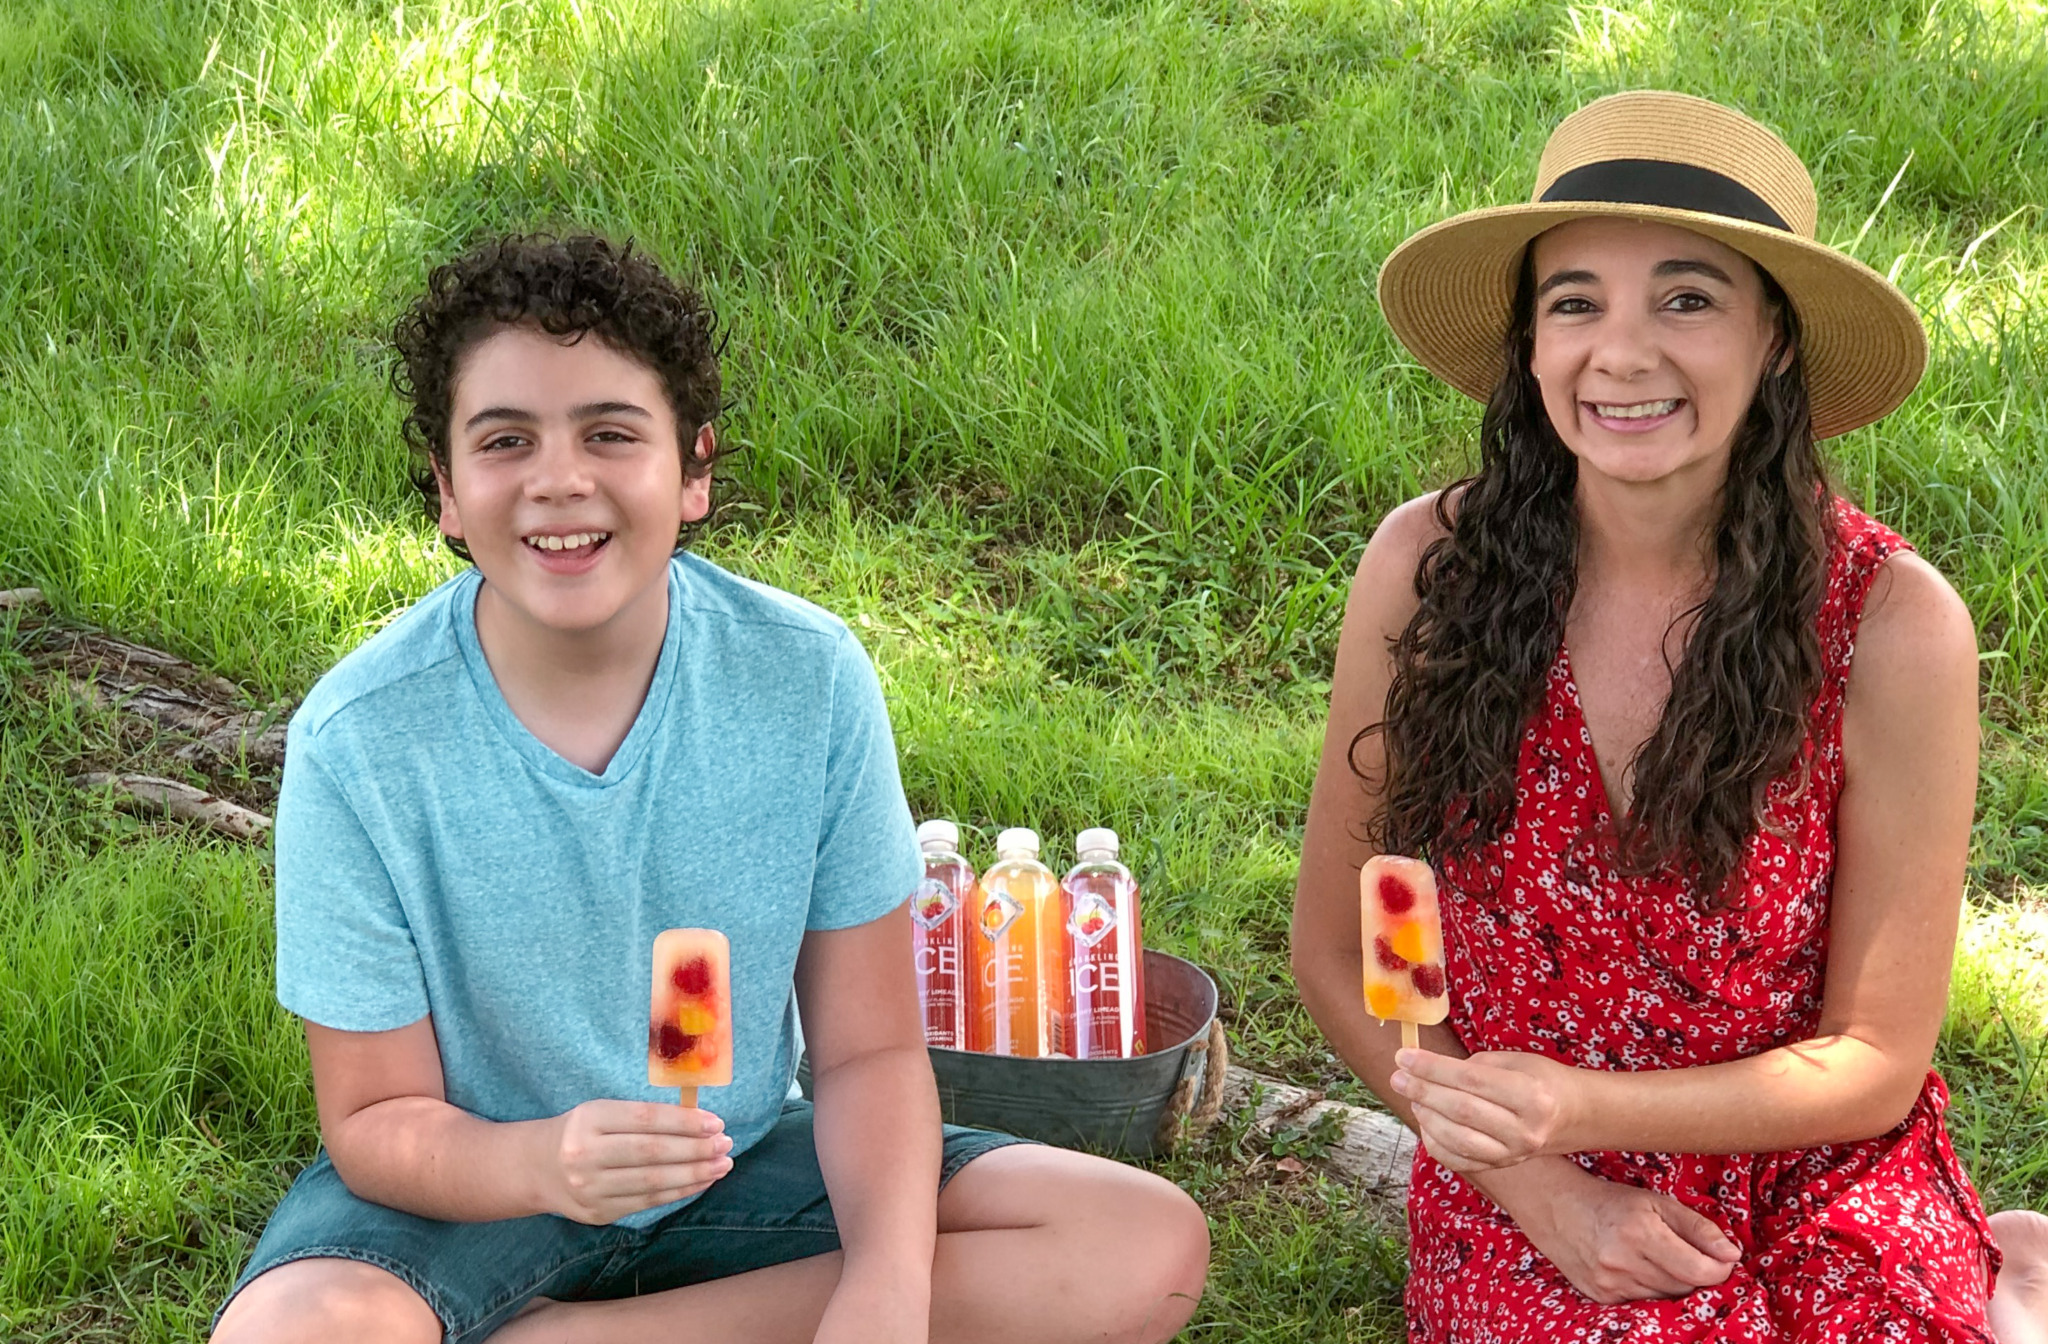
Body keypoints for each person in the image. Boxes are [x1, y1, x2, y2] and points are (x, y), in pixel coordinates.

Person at [210, 233, 1209, 1344]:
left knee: (1141, 1245)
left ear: (692, 472)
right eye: (505, 440)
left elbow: (868, 1051)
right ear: (446, 492)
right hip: (473, 1184)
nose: (558, 479)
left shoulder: (806, 678)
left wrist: (886, 1285)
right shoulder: (362, 743)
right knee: (289, 1332)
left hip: (734, 1163)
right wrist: (543, 1160)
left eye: (609, 433)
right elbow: (375, 1119)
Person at [1290, 91, 2048, 1342]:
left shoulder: (1892, 625)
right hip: (1521, 1165)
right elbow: (1347, 949)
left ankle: (1993, 1273)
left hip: (1803, 1154)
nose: (1620, 354)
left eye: (1685, 299)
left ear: (1777, 341)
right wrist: (1537, 1183)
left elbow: (1873, 1060)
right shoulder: (1428, 564)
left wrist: (1576, 1105)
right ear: (1528, 344)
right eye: (1573, 302)